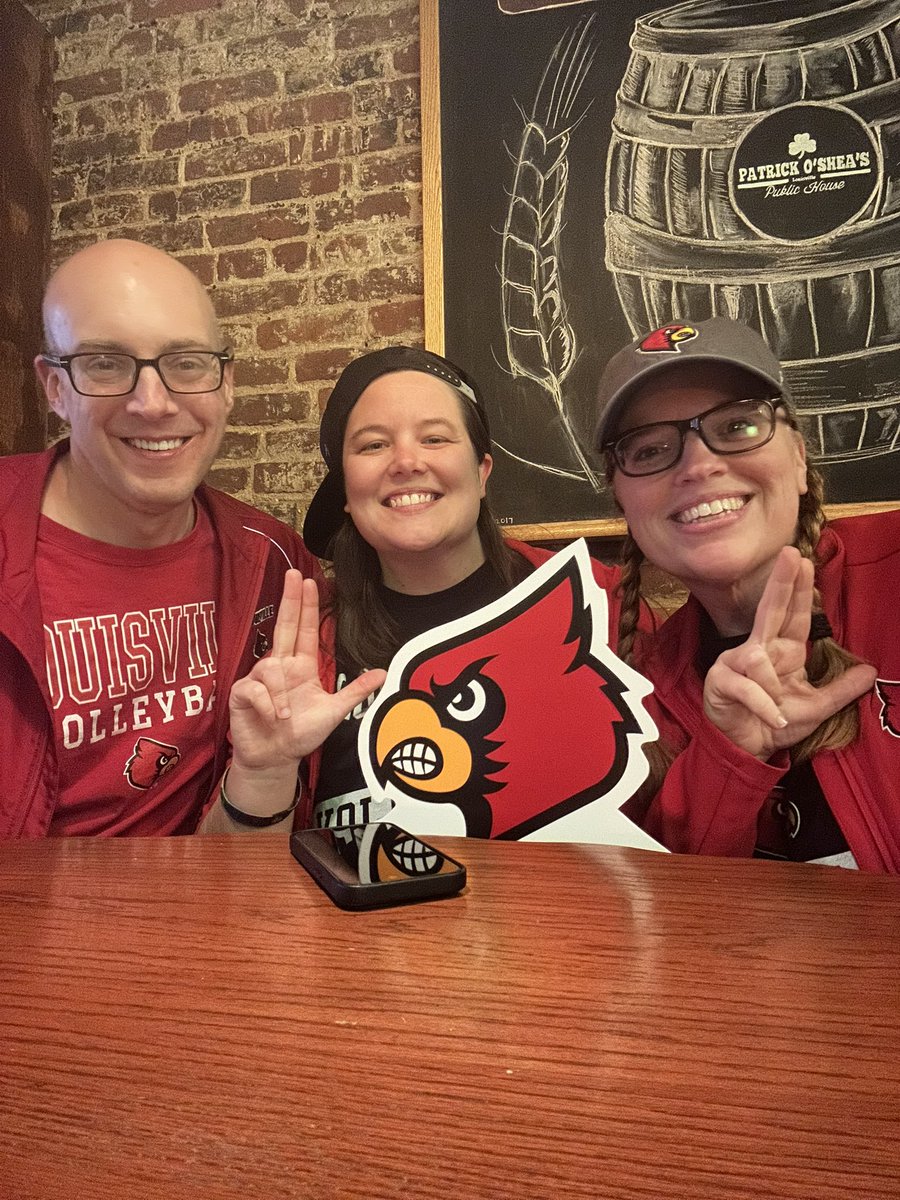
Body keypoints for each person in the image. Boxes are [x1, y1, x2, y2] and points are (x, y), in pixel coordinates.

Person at [204, 345, 631, 834]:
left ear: (482, 471)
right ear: (345, 490)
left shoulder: (593, 603)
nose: (405, 461)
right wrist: (265, 773)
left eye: (434, 438)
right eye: (372, 445)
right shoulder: (304, 644)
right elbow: (235, 878)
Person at [0, 237, 328, 837]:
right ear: (54, 389)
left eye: (186, 363)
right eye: (105, 363)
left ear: (225, 383)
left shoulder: (274, 567)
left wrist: (265, 774)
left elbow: (237, 869)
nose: (152, 403)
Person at [594, 315, 899, 871]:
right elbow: (671, 908)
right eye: (648, 449)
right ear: (623, 505)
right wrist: (730, 752)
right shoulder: (640, 699)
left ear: (800, 460)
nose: (700, 465)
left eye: (736, 427)